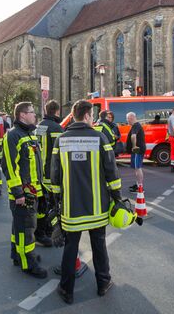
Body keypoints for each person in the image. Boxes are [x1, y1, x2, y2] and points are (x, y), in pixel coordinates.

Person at [50, 100, 122, 304]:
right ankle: (103, 283)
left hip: (71, 208)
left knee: (70, 247)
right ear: (88, 116)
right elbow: (112, 173)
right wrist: (117, 198)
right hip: (97, 207)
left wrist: (57, 202)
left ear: (73, 116)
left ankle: (66, 290)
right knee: (99, 245)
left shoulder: (61, 140)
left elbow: (55, 176)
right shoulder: (100, 138)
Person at [1, 102, 48, 278]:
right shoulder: (13, 135)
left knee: (20, 226)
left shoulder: (30, 134)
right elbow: (9, 167)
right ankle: (28, 262)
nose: (34, 115)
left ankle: (17, 255)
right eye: (31, 112)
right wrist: (18, 192)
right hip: (24, 193)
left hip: (34, 190)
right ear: (22, 115)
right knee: (26, 228)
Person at [34, 100, 64, 247]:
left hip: (38, 173)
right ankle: (46, 233)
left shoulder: (38, 126)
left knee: (41, 205)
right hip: (50, 175)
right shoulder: (57, 128)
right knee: (51, 206)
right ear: (57, 112)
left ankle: (42, 232)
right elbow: (60, 154)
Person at [126, 112, 145, 193]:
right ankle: (138, 185)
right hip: (137, 150)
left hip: (137, 150)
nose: (127, 120)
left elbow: (133, 136)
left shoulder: (135, 125)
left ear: (131, 118)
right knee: (137, 168)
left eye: (128, 119)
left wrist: (134, 146)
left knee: (138, 168)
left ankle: (140, 187)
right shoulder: (136, 125)